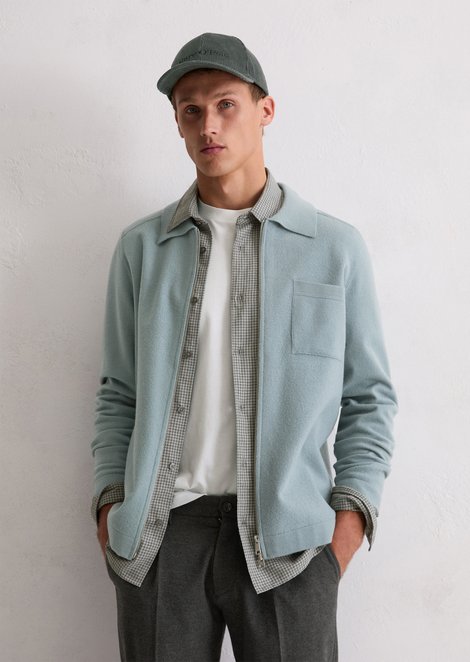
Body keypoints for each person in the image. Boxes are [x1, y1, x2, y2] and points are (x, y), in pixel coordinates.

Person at [90, 32, 398, 662]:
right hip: (162, 536)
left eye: (226, 104)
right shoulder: (142, 249)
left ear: (265, 110)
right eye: (191, 110)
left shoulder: (333, 247)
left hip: (291, 543)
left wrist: (348, 524)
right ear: (179, 124)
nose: (209, 125)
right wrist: (111, 507)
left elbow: (369, 397)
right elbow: (119, 392)